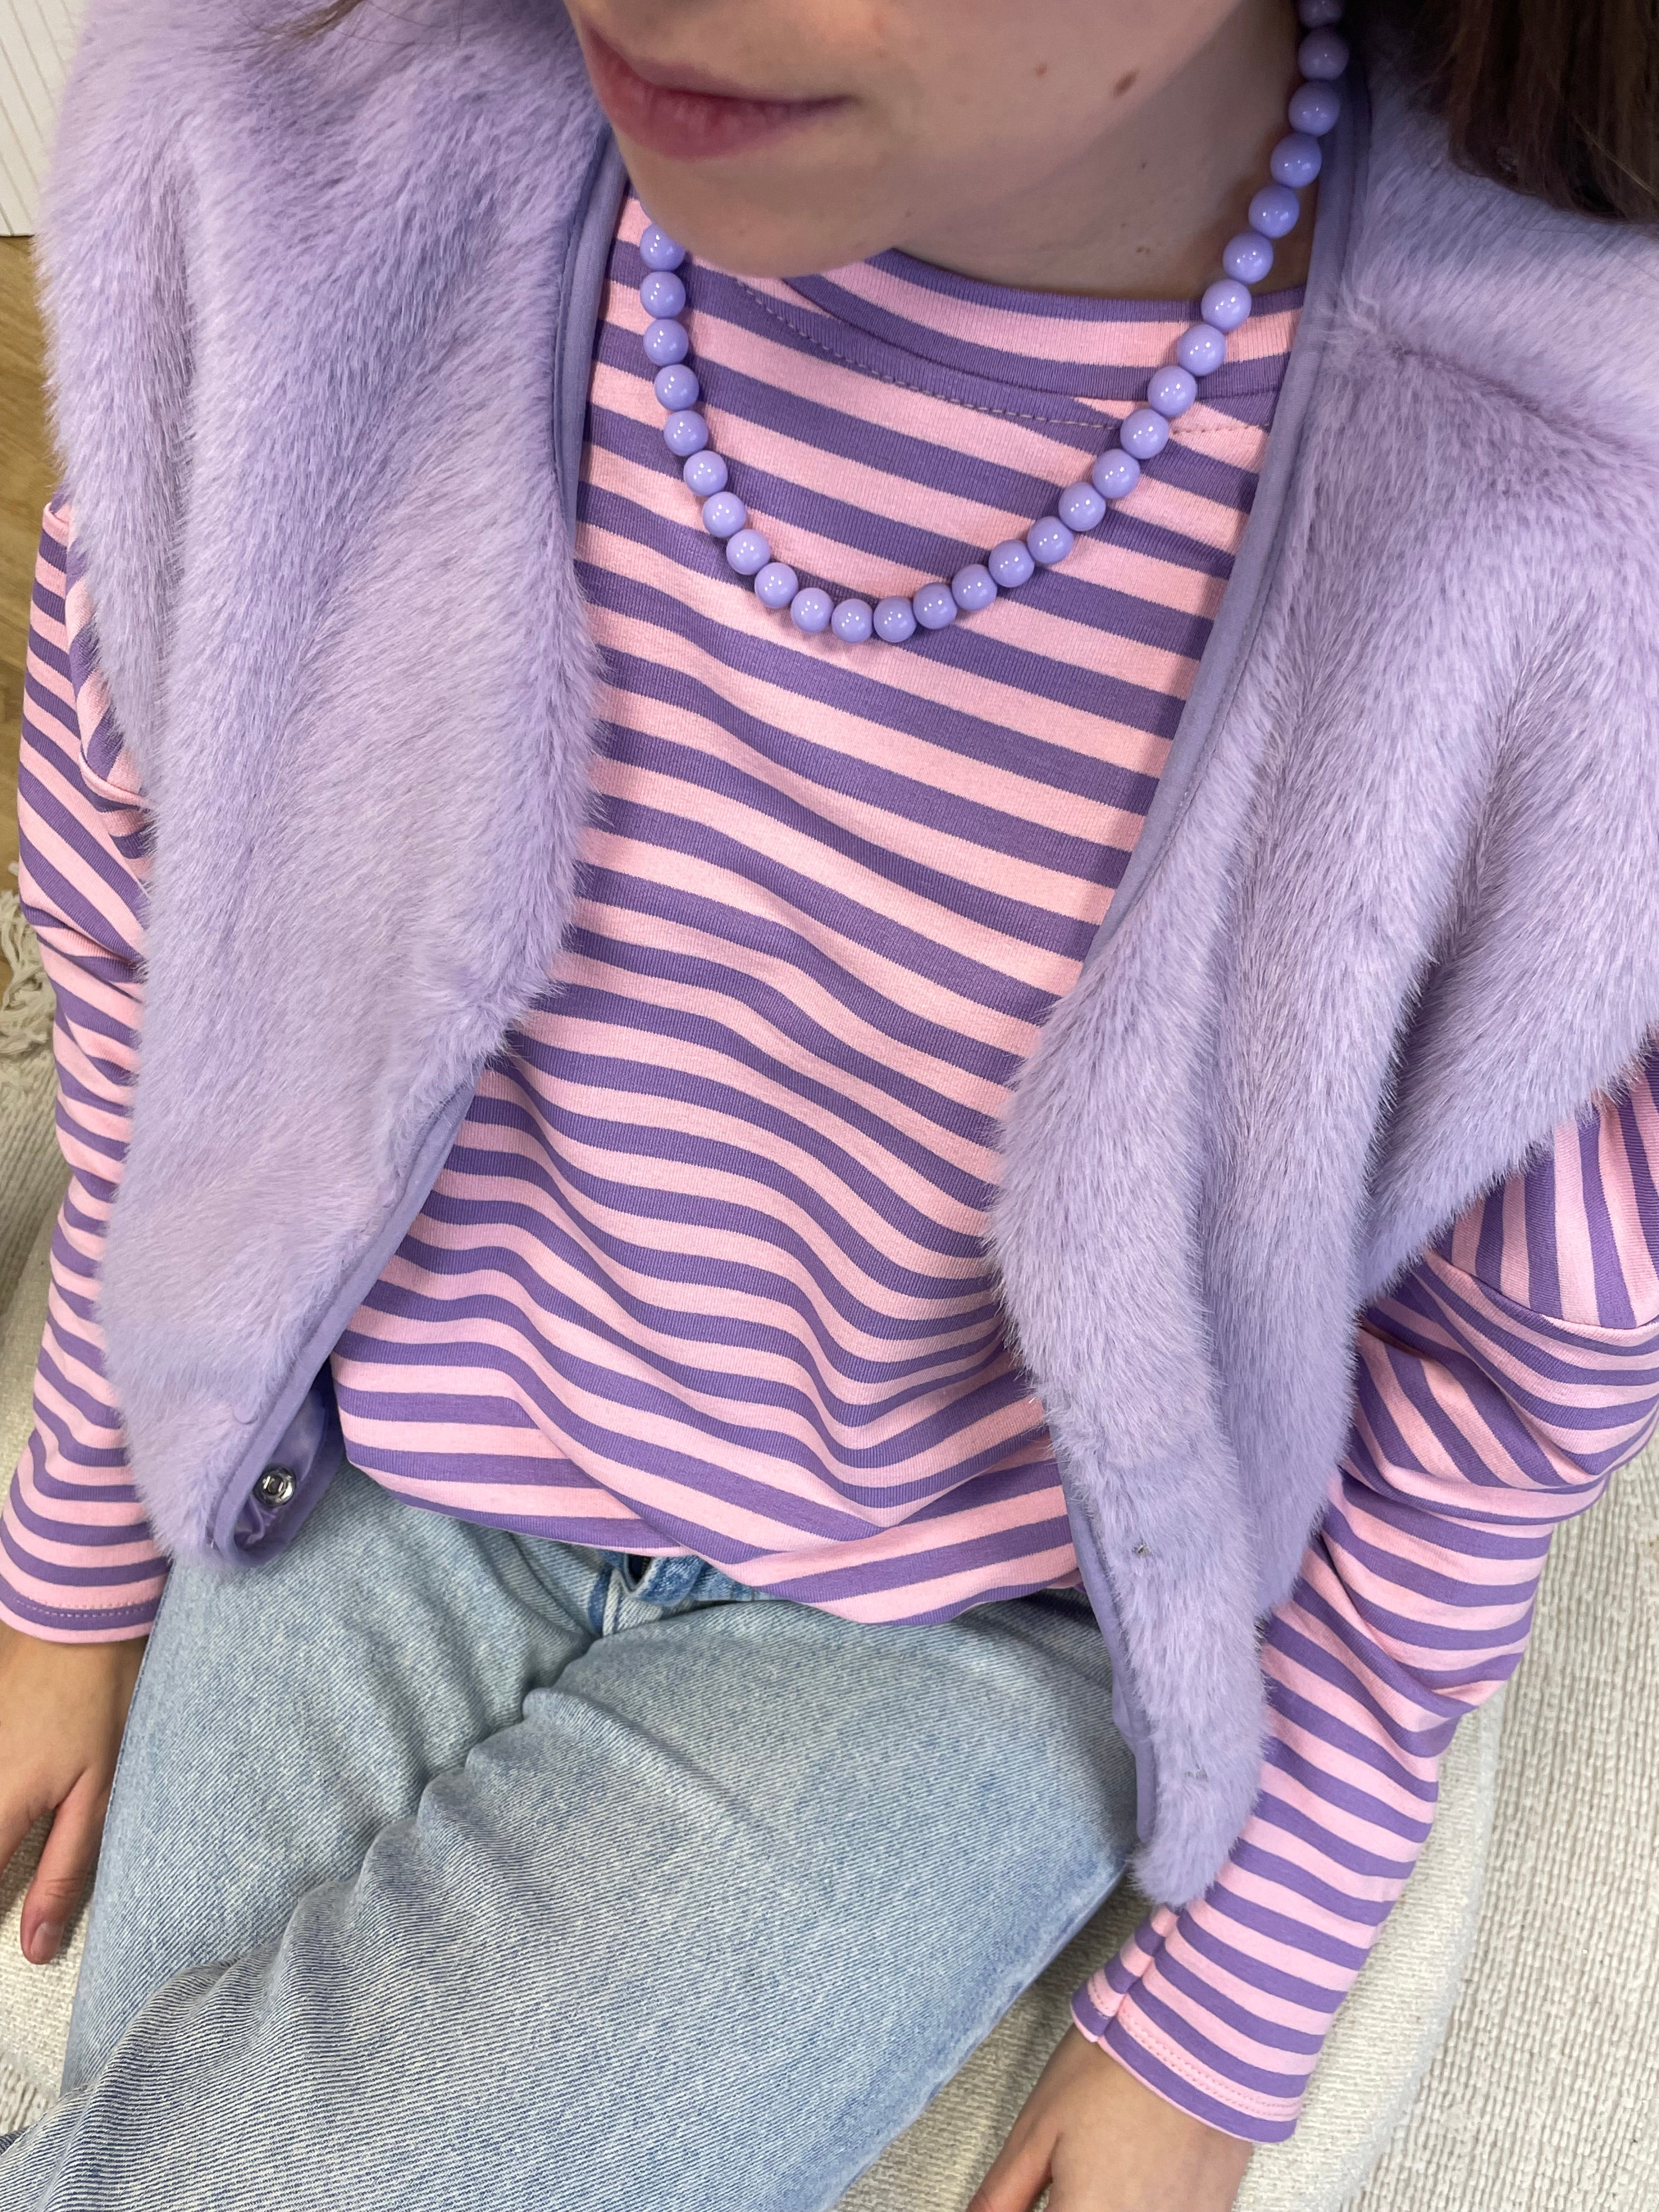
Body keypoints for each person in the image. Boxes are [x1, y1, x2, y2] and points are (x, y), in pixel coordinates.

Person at [1, 0, 1656, 2204]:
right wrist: (82, 1544)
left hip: (964, 1632)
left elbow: (1513, 1362)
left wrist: (1231, 2011)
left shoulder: (1567, 534)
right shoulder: (297, 175)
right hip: (376, 1451)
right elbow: (155, 927)